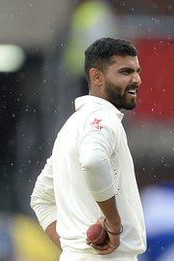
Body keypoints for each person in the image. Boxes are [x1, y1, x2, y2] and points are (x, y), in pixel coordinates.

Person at [31, 37, 146, 260]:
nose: (137, 80)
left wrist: (75, 250)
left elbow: (41, 199)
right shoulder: (102, 118)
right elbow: (94, 161)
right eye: (125, 72)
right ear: (97, 77)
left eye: (137, 71)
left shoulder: (70, 126)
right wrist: (113, 224)